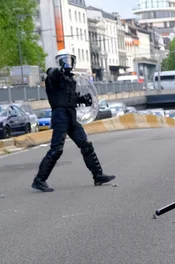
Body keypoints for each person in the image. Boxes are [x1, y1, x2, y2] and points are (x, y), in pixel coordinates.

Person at [31, 49, 115, 192]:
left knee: (85, 144)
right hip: (60, 115)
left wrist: (83, 100)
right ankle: (39, 180)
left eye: (70, 60)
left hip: (71, 114)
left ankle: (98, 175)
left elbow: (70, 99)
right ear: (59, 62)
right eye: (64, 60)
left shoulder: (70, 80)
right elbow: (51, 72)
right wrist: (59, 70)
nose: (68, 63)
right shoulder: (54, 76)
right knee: (57, 149)